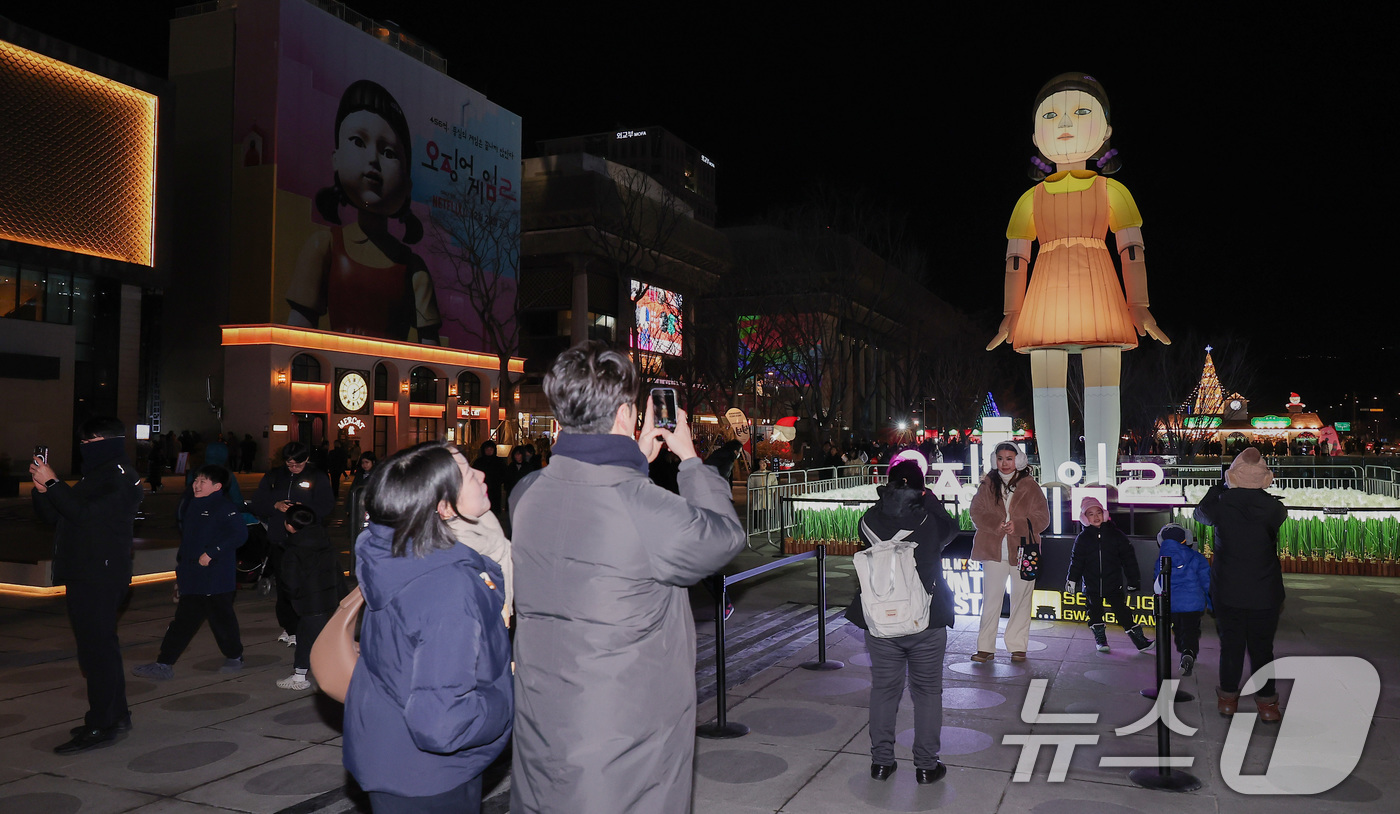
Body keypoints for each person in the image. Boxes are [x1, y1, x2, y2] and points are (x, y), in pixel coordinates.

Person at [508, 341, 746, 814]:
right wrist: (692, 460)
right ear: (624, 414)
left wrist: (632, 456)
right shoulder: (643, 508)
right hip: (624, 746)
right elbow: (724, 537)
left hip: (541, 728)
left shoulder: (526, 494)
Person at [987, 73, 1171, 486]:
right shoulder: (1028, 200)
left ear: (1105, 130)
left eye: (1081, 112)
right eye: (1051, 115)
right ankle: (1053, 476)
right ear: (1036, 136)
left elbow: (1132, 249)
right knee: (1047, 389)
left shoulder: (1113, 191)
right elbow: (1016, 257)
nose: (1066, 123)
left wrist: (1138, 304)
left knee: (1104, 386)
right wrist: (1011, 313)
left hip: (1098, 287)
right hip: (1046, 293)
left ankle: (1101, 476)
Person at [344, 442, 512, 813]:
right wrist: (507, 699)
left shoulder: (397, 552)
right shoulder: (447, 586)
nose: (482, 475)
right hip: (429, 778)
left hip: (394, 755)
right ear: (444, 507)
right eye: (468, 474)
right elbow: (441, 721)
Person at [286, 79, 441, 344]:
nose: (373, 160)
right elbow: (298, 332)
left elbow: (431, 351)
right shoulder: (324, 247)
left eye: (389, 152)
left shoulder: (413, 268)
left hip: (394, 375)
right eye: (358, 141)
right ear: (336, 158)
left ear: (407, 184)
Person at [30, 416, 144, 754]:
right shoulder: (99, 473)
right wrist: (43, 491)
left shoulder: (121, 476)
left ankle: (102, 724)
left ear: (109, 442)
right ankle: (115, 715)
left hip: (101, 574)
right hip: (85, 572)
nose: (84, 449)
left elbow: (86, 515)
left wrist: (54, 485)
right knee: (98, 650)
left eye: (90, 443)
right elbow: (57, 515)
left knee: (97, 653)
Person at [845, 460, 956, 785]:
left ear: (888, 484)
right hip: (927, 621)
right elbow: (951, 530)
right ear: (921, 489)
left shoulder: (868, 519)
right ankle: (925, 766)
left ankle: (881, 762)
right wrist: (930, 498)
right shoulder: (929, 520)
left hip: (881, 622)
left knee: (884, 690)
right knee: (926, 693)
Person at [1194, 447, 1287, 721]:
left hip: (1228, 589)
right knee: (1262, 648)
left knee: (1231, 646)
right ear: (1265, 478)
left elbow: (1200, 513)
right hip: (1266, 591)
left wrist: (1221, 486)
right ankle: (1267, 705)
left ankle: (1228, 701)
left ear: (1232, 476)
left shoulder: (1221, 505)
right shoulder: (1274, 508)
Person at [132, 465, 248, 681]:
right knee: (183, 622)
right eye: (196, 480)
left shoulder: (224, 507)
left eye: (202, 481)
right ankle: (164, 663)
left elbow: (240, 534)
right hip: (193, 576)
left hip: (216, 579)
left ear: (217, 486)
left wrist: (212, 553)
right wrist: (180, 572)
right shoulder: (193, 505)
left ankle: (234, 656)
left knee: (222, 620)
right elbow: (188, 543)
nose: (196, 485)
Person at [968, 441, 1049, 663]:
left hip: (1024, 550)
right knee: (991, 600)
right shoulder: (987, 484)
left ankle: (1017, 646)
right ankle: (985, 647)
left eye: (1009, 458)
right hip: (992, 550)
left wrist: (1019, 524)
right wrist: (997, 523)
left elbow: (1042, 518)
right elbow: (975, 512)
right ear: (995, 460)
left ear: (1019, 460)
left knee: (1022, 600)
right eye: (1001, 458)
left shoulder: (1030, 485)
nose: (1004, 463)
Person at [251, 442, 334, 646]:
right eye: (289, 465)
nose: (293, 468)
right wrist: (275, 504)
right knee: (285, 586)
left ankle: (305, 628)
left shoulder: (317, 476)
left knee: (306, 586)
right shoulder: (275, 476)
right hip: (280, 539)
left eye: (297, 465)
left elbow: (326, 506)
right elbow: (257, 502)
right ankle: (290, 627)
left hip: (307, 542)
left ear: (306, 460)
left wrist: (304, 509)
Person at [1066, 497, 1153, 654]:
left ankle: (1140, 642)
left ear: (1104, 514)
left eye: (1098, 512)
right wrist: (1072, 579)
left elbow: (1129, 559)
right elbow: (1076, 561)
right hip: (1092, 585)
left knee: (1123, 613)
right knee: (1095, 613)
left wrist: (1133, 579)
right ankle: (1101, 640)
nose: (1096, 517)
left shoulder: (1115, 535)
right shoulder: (1083, 539)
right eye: (1090, 514)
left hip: (1113, 584)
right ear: (1085, 518)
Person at [275, 504, 341, 690]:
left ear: (289, 526)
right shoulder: (324, 540)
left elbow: (290, 582)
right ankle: (299, 675)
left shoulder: (293, 549)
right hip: (329, 598)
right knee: (307, 638)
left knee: (316, 640)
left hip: (310, 602)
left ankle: (307, 677)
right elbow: (336, 569)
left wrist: (294, 598)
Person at [1153, 523, 1211, 676]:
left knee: (1178, 629)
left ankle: (1183, 648)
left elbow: (1157, 583)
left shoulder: (1160, 560)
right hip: (1193, 604)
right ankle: (1188, 651)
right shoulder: (1197, 557)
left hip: (1170, 604)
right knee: (1191, 629)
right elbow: (1207, 582)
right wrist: (1212, 603)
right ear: (1186, 539)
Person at [471, 441, 506, 518]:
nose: (489, 451)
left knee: (494, 508)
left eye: (491, 449)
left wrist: (499, 481)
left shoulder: (499, 461)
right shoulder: (479, 462)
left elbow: (504, 473)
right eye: (487, 449)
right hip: (482, 488)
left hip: (495, 487)